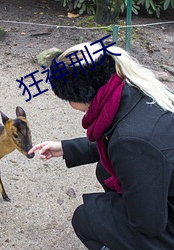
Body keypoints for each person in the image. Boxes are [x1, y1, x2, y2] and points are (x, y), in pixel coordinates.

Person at [28, 41, 174, 250]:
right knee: (105, 170)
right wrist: (66, 147)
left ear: (79, 94)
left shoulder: (131, 142)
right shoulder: (135, 87)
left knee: (86, 218)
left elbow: (149, 224)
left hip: (165, 223)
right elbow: (121, 138)